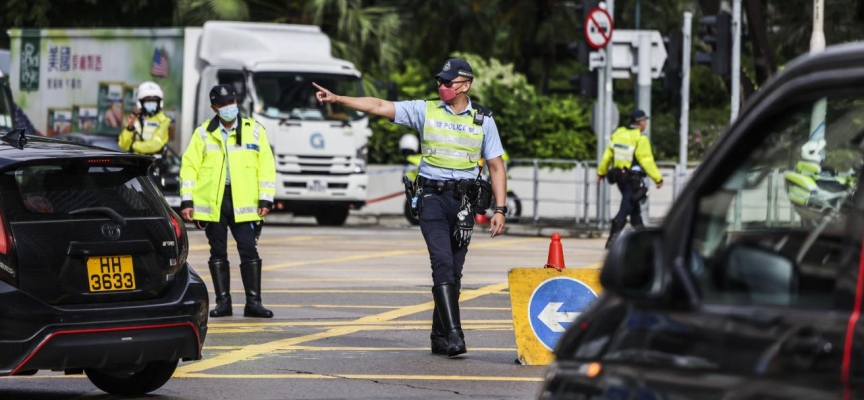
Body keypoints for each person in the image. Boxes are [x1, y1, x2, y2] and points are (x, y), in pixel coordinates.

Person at [313, 58, 508, 358]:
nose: (441, 86)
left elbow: (496, 166)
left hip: (465, 204)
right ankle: (455, 334)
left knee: (454, 271)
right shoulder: (425, 110)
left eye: (448, 82)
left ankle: (438, 335)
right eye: (439, 81)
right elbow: (379, 105)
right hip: (431, 197)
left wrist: (500, 209)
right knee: (442, 262)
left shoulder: (484, 120)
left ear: (465, 85)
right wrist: (338, 98)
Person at [179, 84, 277, 318]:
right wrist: (187, 201)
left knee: (249, 250)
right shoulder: (203, 133)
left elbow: (266, 167)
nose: (228, 108)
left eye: (231, 102)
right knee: (218, 252)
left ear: (237, 102)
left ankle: (254, 302)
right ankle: (223, 303)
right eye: (222, 105)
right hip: (214, 202)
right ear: (214, 108)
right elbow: (189, 167)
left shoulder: (254, 131)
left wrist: (266, 198)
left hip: (245, 202)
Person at [597, 109, 663, 249]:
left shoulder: (619, 133)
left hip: (619, 178)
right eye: (645, 120)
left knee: (635, 211)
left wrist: (601, 173)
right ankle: (612, 240)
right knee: (626, 208)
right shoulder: (640, 138)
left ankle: (645, 241)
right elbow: (646, 160)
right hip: (633, 180)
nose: (646, 123)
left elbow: (607, 156)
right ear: (640, 122)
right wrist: (658, 179)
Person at [118, 81, 171, 155]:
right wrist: (129, 128)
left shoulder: (164, 120)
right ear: (141, 102)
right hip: (137, 162)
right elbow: (123, 145)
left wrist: (134, 146)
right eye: (148, 101)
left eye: (154, 101)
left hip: (155, 163)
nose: (152, 104)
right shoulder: (135, 118)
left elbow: (155, 145)